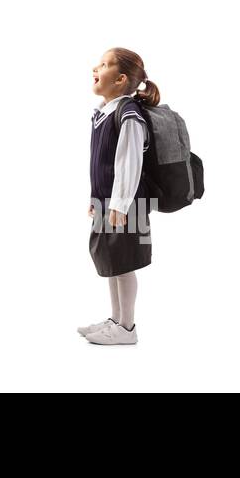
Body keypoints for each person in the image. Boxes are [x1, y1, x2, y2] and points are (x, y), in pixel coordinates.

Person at [77, 47, 159, 346]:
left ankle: (126, 327)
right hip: (108, 201)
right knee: (112, 261)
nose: (95, 67)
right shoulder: (103, 112)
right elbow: (101, 162)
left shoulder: (128, 114)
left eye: (103, 64)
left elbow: (129, 162)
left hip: (127, 205)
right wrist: (95, 196)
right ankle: (116, 320)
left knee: (124, 264)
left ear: (121, 79)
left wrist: (121, 203)